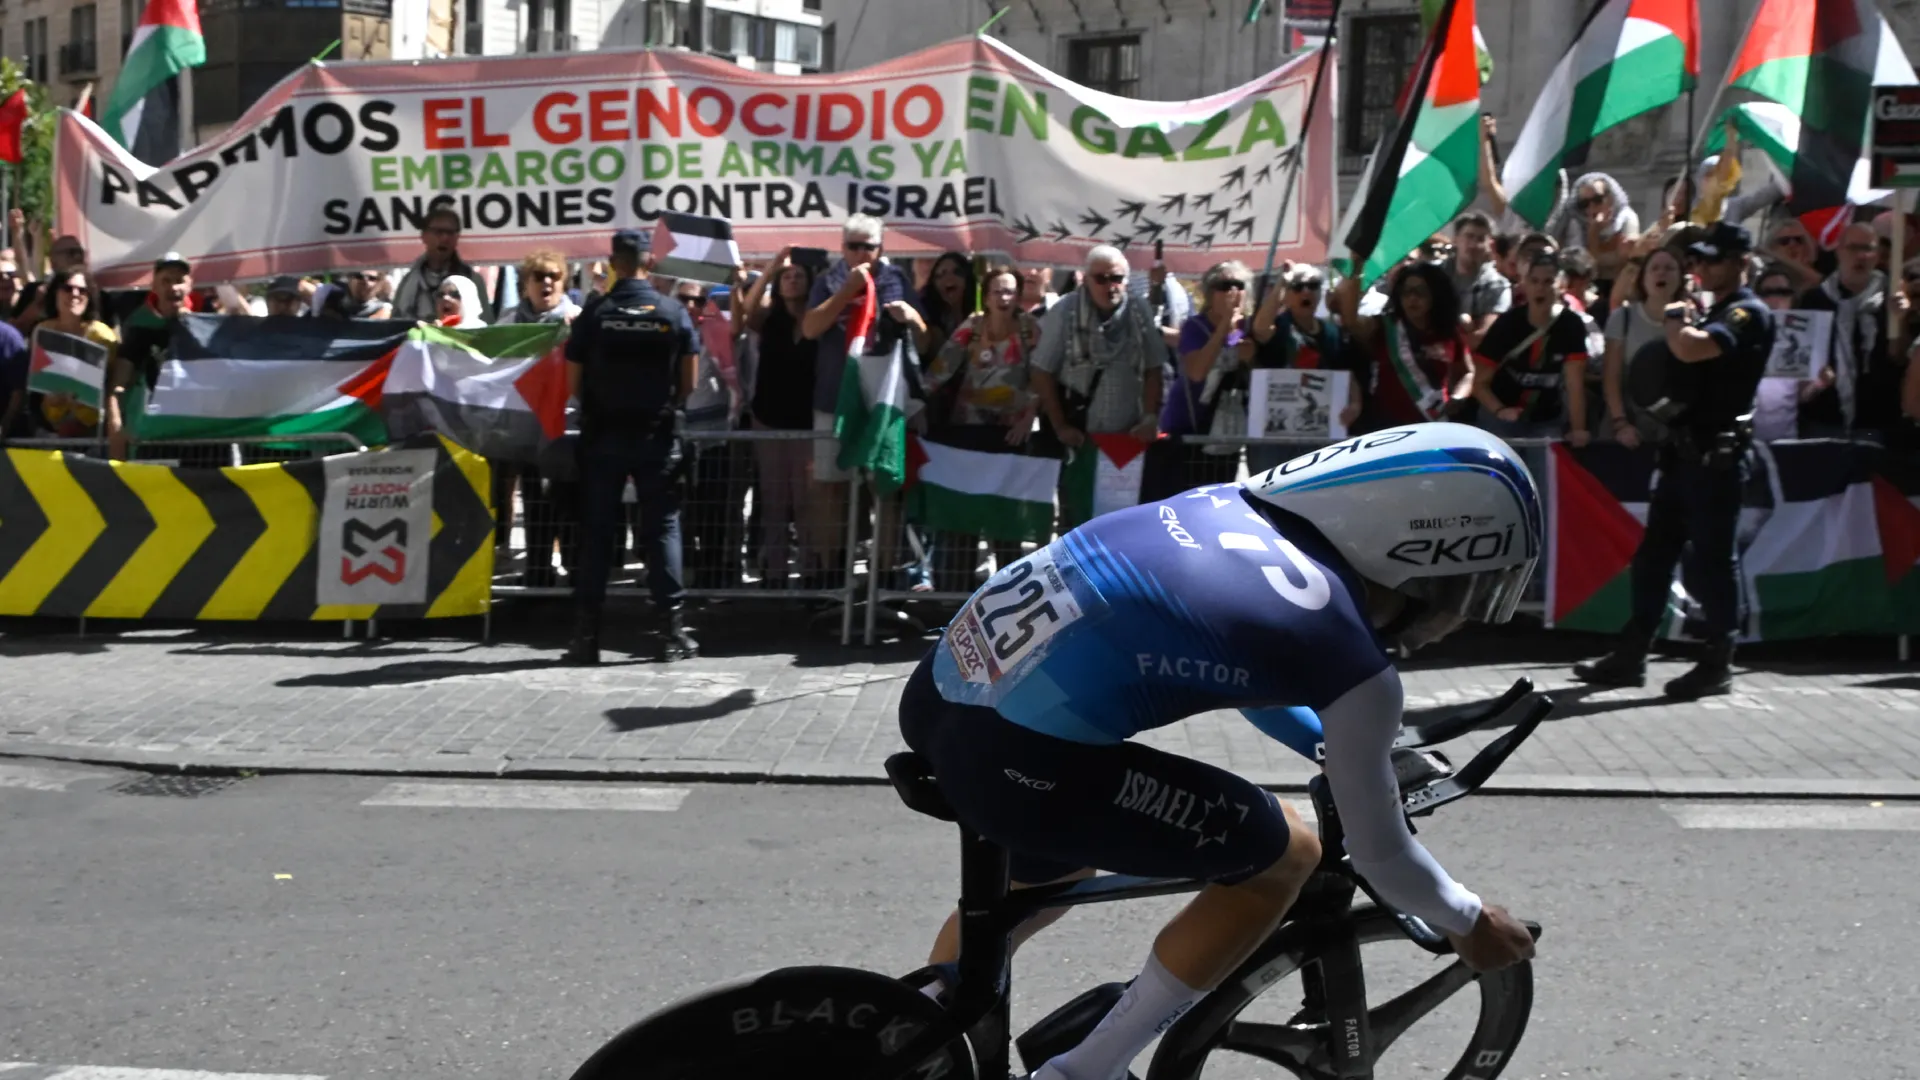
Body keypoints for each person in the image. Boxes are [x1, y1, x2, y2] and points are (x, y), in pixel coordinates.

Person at [900, 422, 1540, 1080]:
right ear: (1410, 555)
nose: (1452, 619)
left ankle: (908, 1034)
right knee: (1286, 857)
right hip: (1017, 758)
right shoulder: (1350, 656)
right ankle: (1082, 1072)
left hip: (941, 694)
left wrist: (1336, 751)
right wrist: (1468, 919)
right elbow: (1382, 858)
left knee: (1049, 882)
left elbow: (1252, 671)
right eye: (1458, 591)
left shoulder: (1223, 505)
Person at [1575, 222, 1773, 700]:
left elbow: (1690, 347)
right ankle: (1632, 654)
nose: (1702, 268)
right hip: (1682, 453)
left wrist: (1674, 317)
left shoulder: (1747, 312)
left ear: (1740, 263)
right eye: (1699, 260)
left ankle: (1717, 660)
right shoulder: (1713, 309)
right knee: (1653, 559)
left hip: (1717, 458)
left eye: (1713, 260)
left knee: (1712, 563)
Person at [561, 229, 701, 665]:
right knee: (662, 530)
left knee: (598, 533)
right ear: (649, 261)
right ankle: (671, 632)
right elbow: (689, 384)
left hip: (603, 435)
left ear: (615, 262)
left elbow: (573, 383)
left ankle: (586, 637)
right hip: (655, 436)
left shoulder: (594, 313)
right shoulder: (673, 312)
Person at [801, 214, 924, 577]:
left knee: (885, 491)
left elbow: (927, 337)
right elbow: (810, 328)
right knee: (830, 489)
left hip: (884, 401)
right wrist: (846, 292)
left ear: (880, 249)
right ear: (842, 249)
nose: (859, 254)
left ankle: (882, 581)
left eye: (867, 247)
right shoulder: (827, 282)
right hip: (834, 397)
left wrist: (912, 317)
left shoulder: (897, 281)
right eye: (852, 246)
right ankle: (832, 578)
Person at [921, 264, 1042, 591]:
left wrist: (1030, 416)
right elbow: (940, 370)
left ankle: (1009, 591)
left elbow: (1044, 376)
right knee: (966, 515)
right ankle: (956, 594)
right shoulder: (972, 326)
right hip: (968, 432)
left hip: (1011, 435)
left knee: (1008, 518)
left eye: (1010, 291)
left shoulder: (1031, 328)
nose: (1004, 297)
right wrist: (911, 404)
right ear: (985, 296)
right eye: (997, 291)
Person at [1031, 245, 1168, 525]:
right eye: (1101, 279)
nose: (1110, 286)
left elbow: (1154, 366)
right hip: (1080, 440)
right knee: (1076, 523)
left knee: (1122, 526)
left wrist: (1150, 418)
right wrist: (1059, 426)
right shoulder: (1065, 311)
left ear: (1126, 280)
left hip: (1125, 441)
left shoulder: (1139, 310)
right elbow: (1041, 370)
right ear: (1086, 279)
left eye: (1116, 278)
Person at [740, 248, 823, 587]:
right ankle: (774, 571)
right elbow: (748, 310)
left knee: (806, 503)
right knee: (773, 501)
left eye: (798, 276)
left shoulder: (819, 319)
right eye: (787, 277)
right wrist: (771, 270)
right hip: (769, 419)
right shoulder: (770, 319)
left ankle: (810, 570)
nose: (792, 280)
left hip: (807, 424)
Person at [1151, 260, 1253, 499]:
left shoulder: (1248, 329)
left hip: (1226, 432)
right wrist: (1223, 327)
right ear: (1209, 292)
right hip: (1189, 426)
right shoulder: (1194, 327)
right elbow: (1197, 371)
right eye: (1224, 285)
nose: (1232, 292)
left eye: (1239, 285)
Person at [1246, 264, 1362, 472]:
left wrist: (1355, 404)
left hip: (1320, 434)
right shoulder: (1279, 326)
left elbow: (1347, 374)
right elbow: (1260, 328)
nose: (1306, 292)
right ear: (1286, 295)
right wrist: (1283, 280)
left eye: (1313, 286)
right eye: (1297, 287)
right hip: (1274, 437)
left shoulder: (1332, 331)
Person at [1471, 254, 1598, 443]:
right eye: (1534, 281)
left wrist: (1578, 429)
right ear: (1524, 285)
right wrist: (1501, 411)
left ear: (1561, 286)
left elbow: (1574, 384)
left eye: (1548, 281)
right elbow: (1479, 383)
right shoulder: (1507, 325)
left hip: (1546, 420)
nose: (1540, 288)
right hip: (1500, 418)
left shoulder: (1572, 325)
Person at [1334, 262, 1471, 432]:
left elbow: (1468, 373)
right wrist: (1357, 266)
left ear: (1436, 294)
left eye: (1420, 292)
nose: (1412, 298)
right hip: (1386, 428)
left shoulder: (1450, 331)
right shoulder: (1383, 326)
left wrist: (1458, 396)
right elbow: (1351, 321)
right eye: (1406, 292)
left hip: (1434, 426)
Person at [1794, 222, 1900, 440]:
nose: (1860, 256)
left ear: (1877, 255)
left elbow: (1898, 358)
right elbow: (1799, 359)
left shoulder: (1893, 298)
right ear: (1839, 251)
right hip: (1823, 416)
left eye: (1868, 249)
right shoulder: (1815, 299)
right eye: (1853, 248)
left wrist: (1900, 318)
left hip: (1877, 418)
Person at [672, 277, 746, 590]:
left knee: (714, 508)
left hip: (714, 434)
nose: (691, 306)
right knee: (681, 509)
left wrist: (738, 288)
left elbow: (739, 326)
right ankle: (683, 569)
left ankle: (713, 570)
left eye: (698, 300)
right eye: (684, 299)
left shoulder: (716, 331)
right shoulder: (665, 332)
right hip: (676, 435)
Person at [1603, 242, 1692, 447]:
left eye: (1669, 268)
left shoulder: (1695, 321)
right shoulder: (1623, 318)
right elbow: (1611, 378)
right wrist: (1620, 424)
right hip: (1627, 427)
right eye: (1654, 268)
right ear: (1643, 279)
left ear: (1680, 278)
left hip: (1676, 430)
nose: (1662, 273)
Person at [110, 253, 195, 460]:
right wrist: (116, 428)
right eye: (166, 281)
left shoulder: (203, 327)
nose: (173, 287)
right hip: (150, 437)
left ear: (189, 286)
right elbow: (117, 384)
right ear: (154, 287)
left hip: (193, 438)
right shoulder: (139, 327)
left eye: (179, 281)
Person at [28, 268, 117, 440]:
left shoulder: (102, 336)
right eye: (68, 288)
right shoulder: (42, 330)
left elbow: (113, 381)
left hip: (93, 430)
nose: (75, 294)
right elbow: (38, 379)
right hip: (50, 427)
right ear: (55, 293)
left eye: (82, 290)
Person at [392, 207, 481, 323]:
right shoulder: (409, 281)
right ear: (424, 236)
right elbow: (395, 324)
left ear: (457, 237)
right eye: (438, 232)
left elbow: (486, 328)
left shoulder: (471, 280)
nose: (445, 238)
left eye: (450, 233)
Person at [1445, 212, 1512, 347]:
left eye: (1481, 239)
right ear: (1455, 239)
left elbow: (1485, 337)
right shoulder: (1432, 274)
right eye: (1469, 236)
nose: (1474, 244)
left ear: (1489, 245)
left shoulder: (1497, 285)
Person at [917, 251, 976, 358]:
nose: (949, 278)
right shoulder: (929, 320)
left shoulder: (981, 315)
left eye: (957, 272)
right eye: (940, 275)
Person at [496, 250, 581, 324]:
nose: (547, 281)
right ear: (526, 284)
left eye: (554, 276)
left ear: (563, 282)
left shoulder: (579, 319)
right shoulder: (508, 323)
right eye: (539, 276)